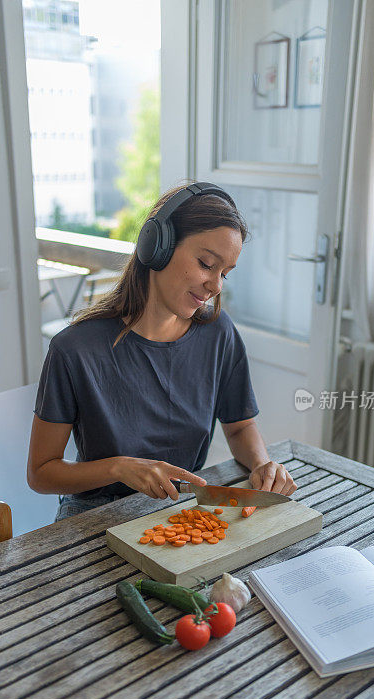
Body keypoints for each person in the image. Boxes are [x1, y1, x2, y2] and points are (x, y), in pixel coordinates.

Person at [28, 181, 297, 520]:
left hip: (180, 507)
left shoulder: (218, 332)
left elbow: (240, 426)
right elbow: (40, 473)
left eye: (225, 274)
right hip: (95, 513)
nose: (215, 286)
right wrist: (118, 468)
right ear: (158, 246)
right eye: (205, 263)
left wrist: (262, 464)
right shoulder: (75, 349)